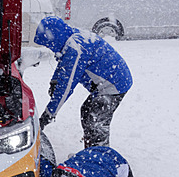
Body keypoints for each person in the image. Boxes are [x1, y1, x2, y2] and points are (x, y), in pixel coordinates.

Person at [34, 16, 133, 148]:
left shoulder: (75, 49)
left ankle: (99, 154)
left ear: (55, 39)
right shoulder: (71, 37)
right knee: (87, 111)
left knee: (95, 119)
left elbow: (66, 86)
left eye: (49, 44)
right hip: (113, 79)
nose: (50, 48)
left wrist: (48, 115)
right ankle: (91, 150)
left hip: (114, 84)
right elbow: (63, 64)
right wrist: (55, 80)